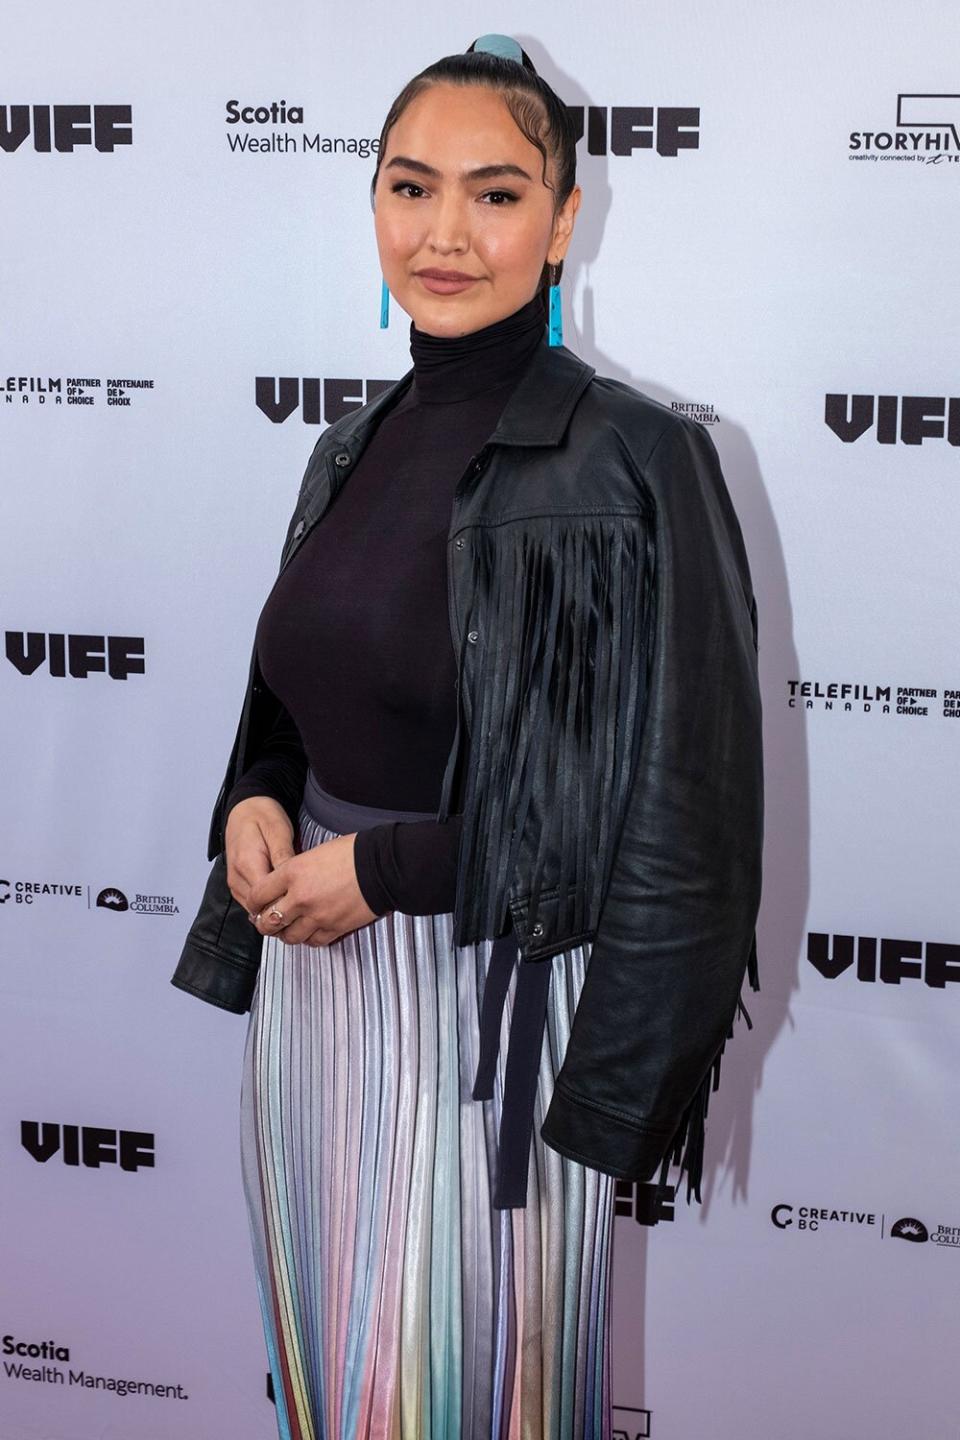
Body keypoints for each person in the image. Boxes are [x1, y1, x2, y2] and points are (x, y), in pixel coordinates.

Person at [171, 33, 763, 1440]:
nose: (445, 233)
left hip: (496, 1012)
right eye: (410, 186)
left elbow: (679, 802)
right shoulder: (347, 445)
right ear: (370, 202)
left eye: (496, 195)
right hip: (316, 997)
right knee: (330, 1375)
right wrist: (254, 805)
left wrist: (385, 874)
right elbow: (292, 705)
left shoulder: (637, 454)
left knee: (456, 1390)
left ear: (564, 220)